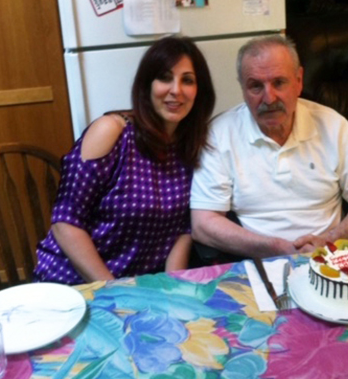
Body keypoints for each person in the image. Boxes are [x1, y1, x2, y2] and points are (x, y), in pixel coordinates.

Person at [33, 36, 215, 284]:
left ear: (199, 90)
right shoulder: (112, 132)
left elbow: (183, 230)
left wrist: (173, 285)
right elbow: (65, 223)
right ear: (146, 85)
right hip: (75, 280)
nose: (176, 90)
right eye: (164, 77)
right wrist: (114, 290)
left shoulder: (193, 145)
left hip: (140, 287)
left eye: (188, 80)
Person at [190, 35, 348, 258]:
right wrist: (276, 248)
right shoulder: (219, 134)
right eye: (255, 86)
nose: (269, 98)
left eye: (279, 82)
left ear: (299, 80)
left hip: (330, 259)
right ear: (242, 89)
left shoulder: (333, 125)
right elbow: (203, 224)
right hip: (256, 260)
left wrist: (330, 241)